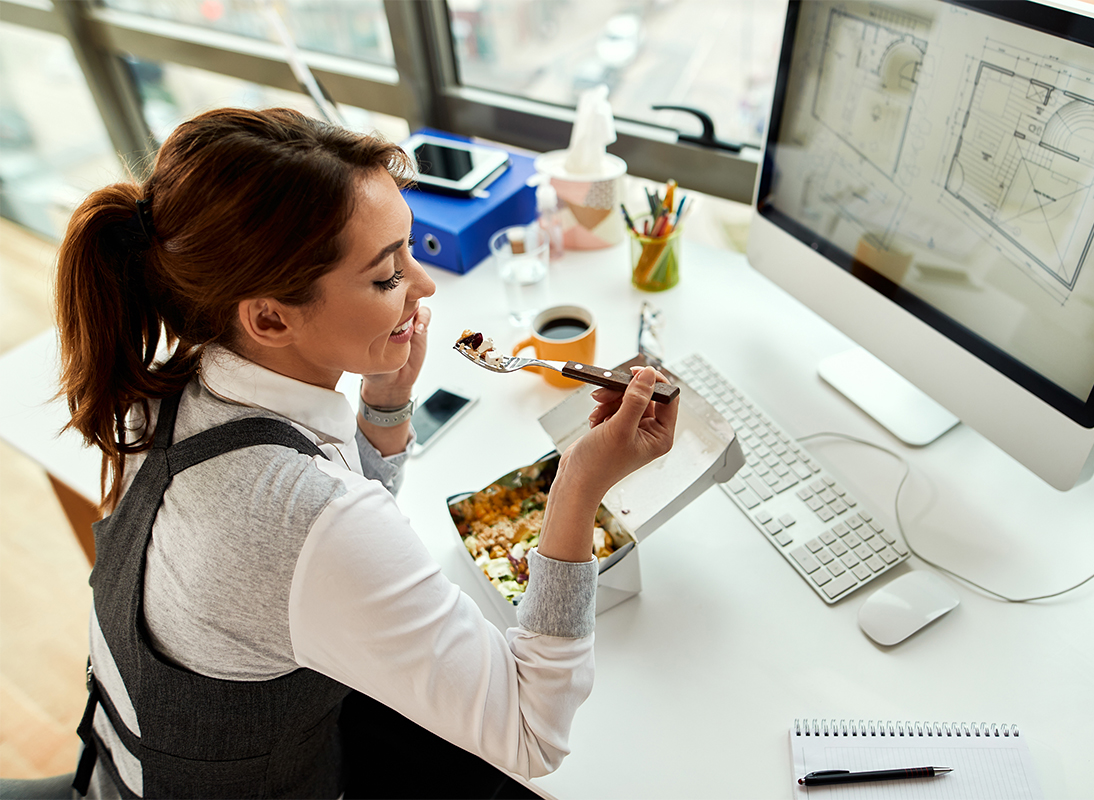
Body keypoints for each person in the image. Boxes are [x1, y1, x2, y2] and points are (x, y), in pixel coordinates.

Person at [55, 107, 678, 799]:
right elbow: (532, 732)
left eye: (410, 250)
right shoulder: (302, 521)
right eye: (387, 276)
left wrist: (382, 412)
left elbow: (314, 568)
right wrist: (578, 483)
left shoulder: (174, 387)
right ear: (268, 317)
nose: (425, 285)